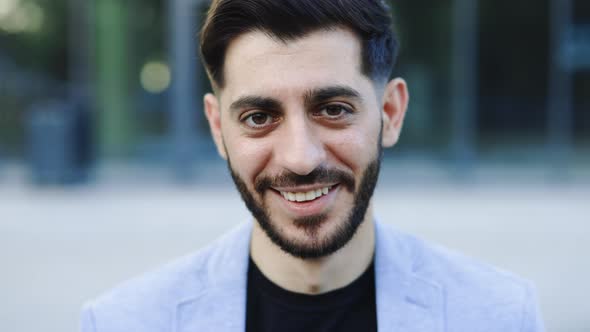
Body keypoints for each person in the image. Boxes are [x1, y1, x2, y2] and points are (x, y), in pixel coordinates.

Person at [81, 0, 545, 331]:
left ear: (390, 113)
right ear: (218, 129)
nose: (301, 158)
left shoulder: (501, 315)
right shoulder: (123, 322)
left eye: (334, 109)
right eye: (258, 118)